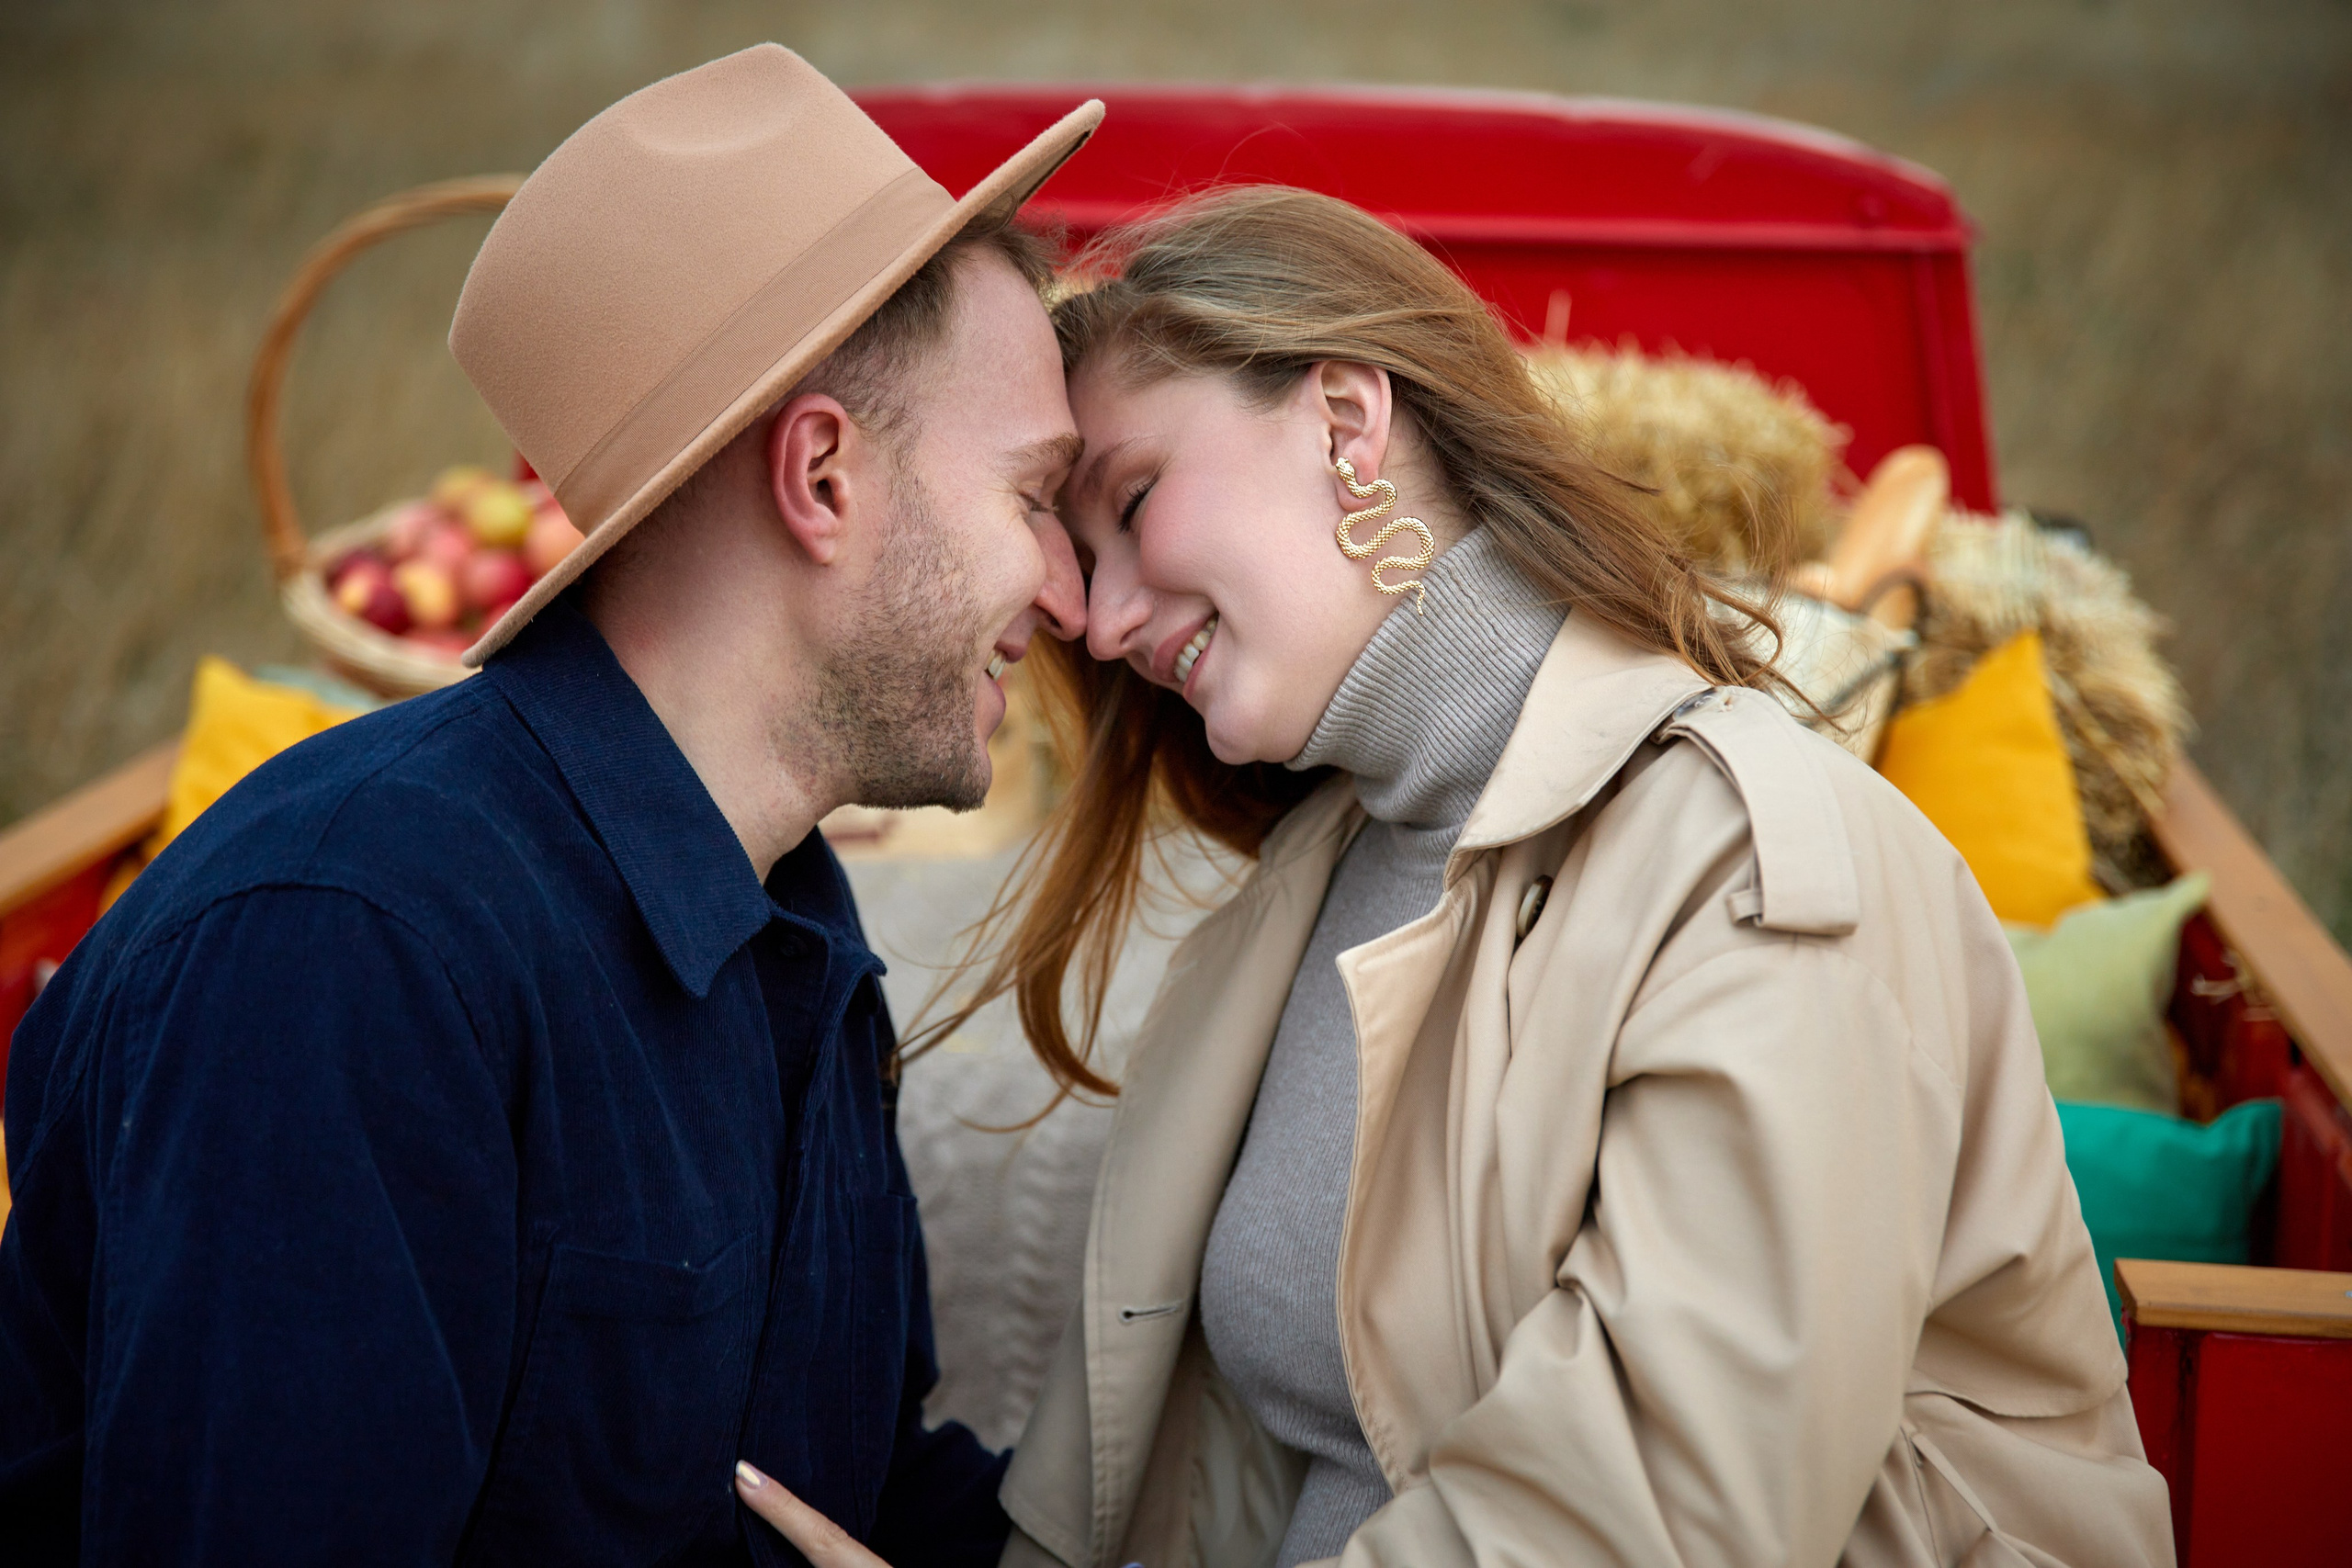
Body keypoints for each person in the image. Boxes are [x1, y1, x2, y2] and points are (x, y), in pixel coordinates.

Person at [924, 186, 2170, 1568]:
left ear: (1347, 421)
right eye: (1078, 560)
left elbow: (1661, 1514)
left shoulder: (1756, 866)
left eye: (1136, 503)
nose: (1095, 623)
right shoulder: (1324, 862)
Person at [0, 47, 1101, 1565]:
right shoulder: (347, 961)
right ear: (826, 479)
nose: (1067, 590)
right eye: (1036, 497)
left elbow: (844, 1491)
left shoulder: (793, 936)